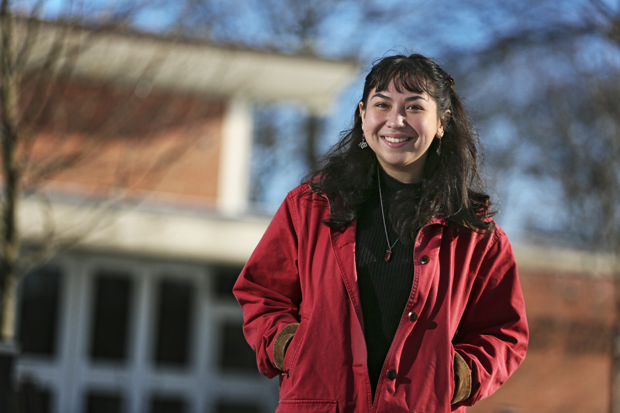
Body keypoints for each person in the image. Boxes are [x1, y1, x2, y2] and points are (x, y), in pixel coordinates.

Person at [233, 53, 528, 413]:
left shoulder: (475, 236)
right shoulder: (310, 208)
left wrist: (456, 377)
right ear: (362, 114)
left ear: (442, 123)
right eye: (382, 104)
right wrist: (291, 347)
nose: (395, 120)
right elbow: (261, 292)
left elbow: (503, 333)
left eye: (414, 107)